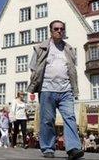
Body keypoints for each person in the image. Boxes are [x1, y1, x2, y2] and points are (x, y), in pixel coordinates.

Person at [27, 20, 84, 159]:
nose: (59, 31)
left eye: (62, 29)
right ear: (51, 31)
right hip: (47, 89)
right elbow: (33, 67)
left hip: (66, 90)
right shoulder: (41, 48)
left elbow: (72, 69)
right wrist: (35, 84)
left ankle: (73, 148)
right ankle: (47, 148)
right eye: (56, 29)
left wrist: (73, 88)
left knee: (70, 117)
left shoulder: (69, 49)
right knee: (47, 119)